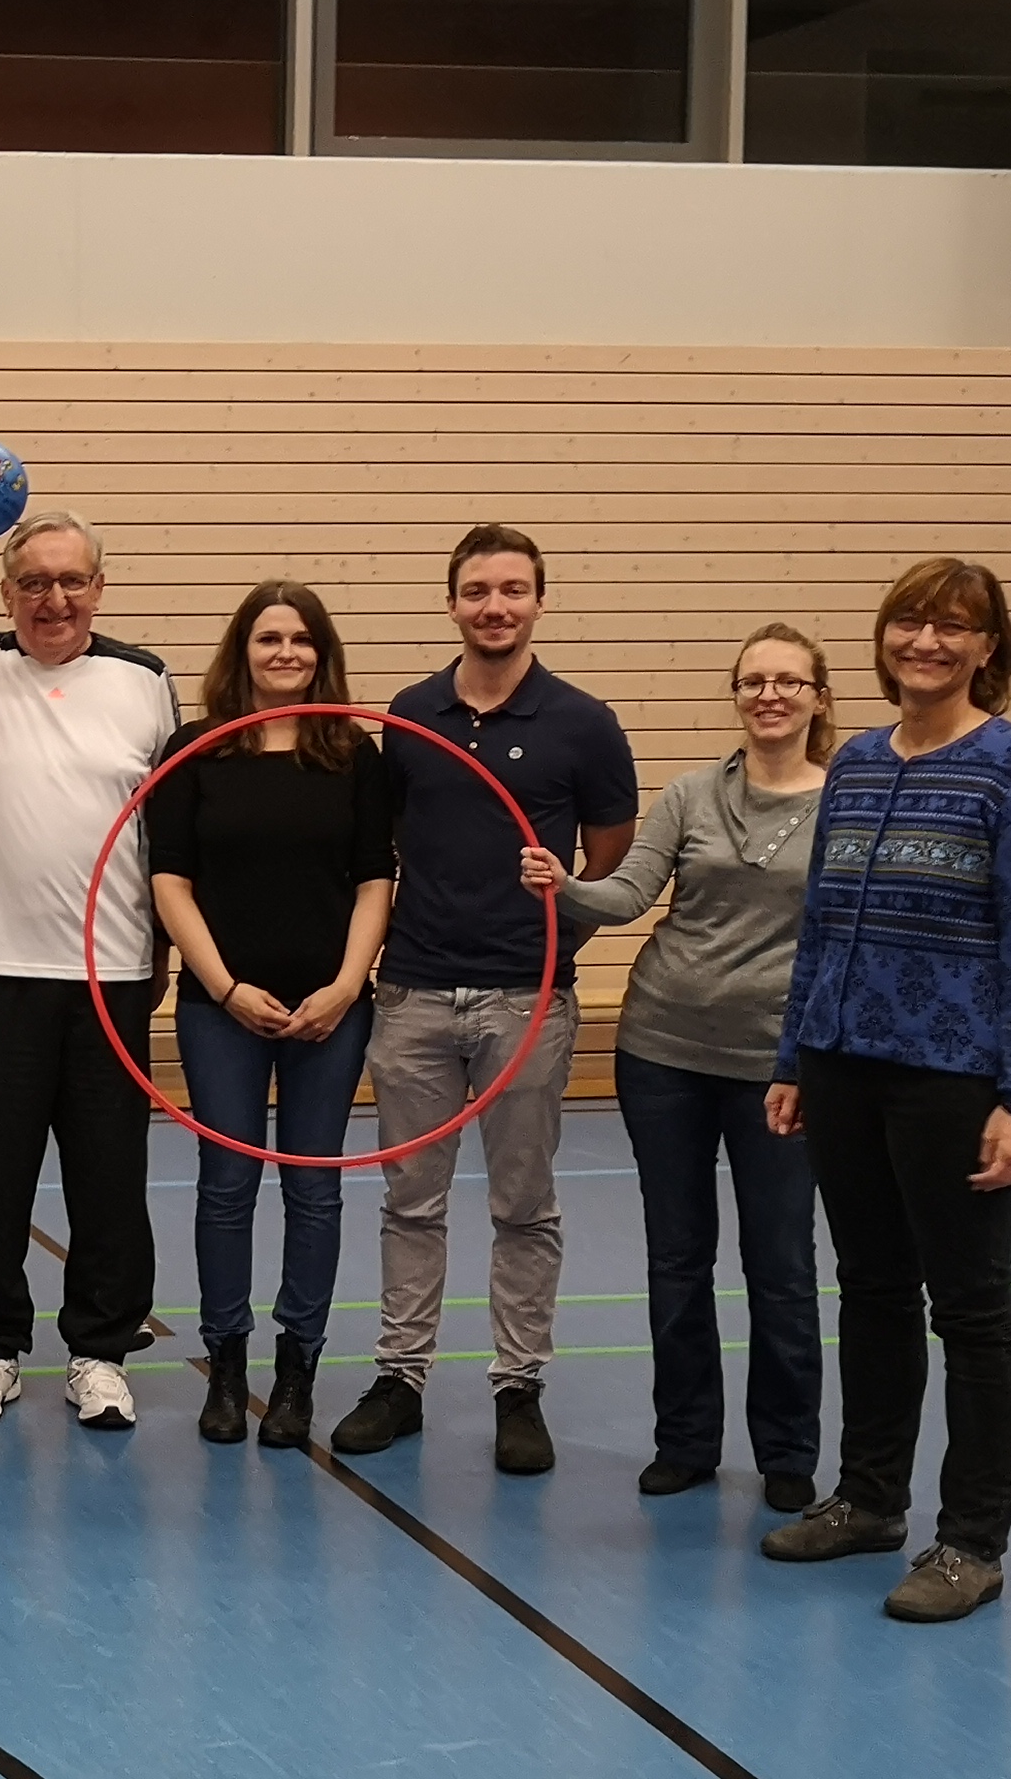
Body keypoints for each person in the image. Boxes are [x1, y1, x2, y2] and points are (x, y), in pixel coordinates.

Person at [758, 560, 1011, 1626]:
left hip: (954, 1076)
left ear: (989, 647)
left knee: (974, 1310)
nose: (926, 640)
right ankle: (870, 1499)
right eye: (909, 621)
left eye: (954, 626)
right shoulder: (851, 761)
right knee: (874, 1289)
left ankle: (971, 1543)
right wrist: (799, 1056)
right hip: (846, 1066)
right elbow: (824, 921)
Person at [330, 524, 636, 1475]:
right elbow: (382, 847)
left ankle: (518, 1387)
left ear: (540, 600)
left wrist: (560, 925)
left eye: (513, 590)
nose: (495, 606)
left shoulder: (582, 722)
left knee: (523, 1205)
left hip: (525, 1003)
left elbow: (613, 850)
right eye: (477, 591)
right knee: (410, 1201)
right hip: (414, 995)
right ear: (452, 602)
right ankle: (401, 1377)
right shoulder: (413, 715)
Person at [523, 624, 834, 1514]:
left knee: (780, 1262)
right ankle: (686, 1442)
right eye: (753, 682)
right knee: (677, 1255)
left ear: (818, 697)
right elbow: (627, 895)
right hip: (662, 1052)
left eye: (788, 682)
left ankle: (786, 1453)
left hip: (780, 1067)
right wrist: (562, 883)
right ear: (737, 696)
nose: (769, 695)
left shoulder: (850, 799)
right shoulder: (694, 794)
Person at [0, 496, 176, 1431]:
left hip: (111, 975)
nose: (53, 599)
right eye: (33, 583)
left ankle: (100, 1352)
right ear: (10, 592)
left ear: (99, 588)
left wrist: (163, 954)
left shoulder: (145, 682)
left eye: (71, 581)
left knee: (110, 1176)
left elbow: (163, 835)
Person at [149, 580, 394, 1449]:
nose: (284, 653)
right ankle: (226, 1364)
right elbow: (168, 880)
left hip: (331, 1010)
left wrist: (343, 985)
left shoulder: (355, 757)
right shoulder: (196, 752)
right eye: (267, 639)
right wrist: (222, 986)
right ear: (242, 653)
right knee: (226, 1187)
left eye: (299, 639)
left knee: (313, 1186)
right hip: (225, 1009)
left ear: (321, 654)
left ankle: (298, 1372)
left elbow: (375, 878)